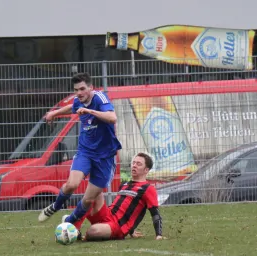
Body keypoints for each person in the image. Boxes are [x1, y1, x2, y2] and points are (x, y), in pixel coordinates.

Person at [38, 72, 122, 225]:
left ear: (91, 88)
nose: (79, 93)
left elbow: (112, 117)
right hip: (86, 152)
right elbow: (72, 107)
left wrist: (90, 111)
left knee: (88, 199)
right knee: (71, 185)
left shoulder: (100, 98)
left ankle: (70, 221)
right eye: (76, 90)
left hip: (105, 156)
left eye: (82, 89)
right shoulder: (79, 100)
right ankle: (55, 207)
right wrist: (54, 113)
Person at [62, 153, 164, 241]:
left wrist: (159, 235)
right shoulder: (125, 184)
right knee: (95, 192)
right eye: (133, 163)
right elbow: (126, 208)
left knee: (93, 231)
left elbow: (155, 213)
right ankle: (75, 228)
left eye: (139, 164)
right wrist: (132, 231)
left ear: (146, 170)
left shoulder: (148, 188)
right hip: (107, 214)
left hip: (117, 226)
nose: (134, 166)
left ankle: (79, 232)